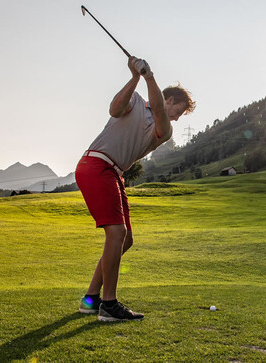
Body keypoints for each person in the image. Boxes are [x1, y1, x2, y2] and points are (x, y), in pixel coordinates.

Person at [75, 56, 194, 322]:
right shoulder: (137, 101)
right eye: (180, 110)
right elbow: (114, 109)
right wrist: (135, 77)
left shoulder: (165, 130)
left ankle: (91, 299)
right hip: (95, 164)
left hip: (114, 173)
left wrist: (149, 75)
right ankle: (109, 304)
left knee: (125, 239)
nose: (178, 116)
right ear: (170, 99)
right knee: (116, 233)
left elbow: (160, 114)